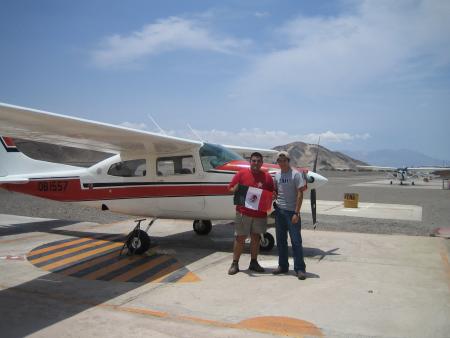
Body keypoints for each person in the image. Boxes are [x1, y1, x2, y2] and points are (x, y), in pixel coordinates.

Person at [227, 152, 275, 275]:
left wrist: (274, 195)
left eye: (259, 161)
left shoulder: (267, 177)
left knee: (256, 238)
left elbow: (271, 193)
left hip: (259, 214)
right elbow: (230, 188)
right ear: (250, 162)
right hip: (243, 213)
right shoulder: (241, 174)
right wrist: (235, 188)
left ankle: (253, 262)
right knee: (240, 238)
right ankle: (235, 263)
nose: (256, 163)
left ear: (262, 163)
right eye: (254, 160)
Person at [273, 151, 308, 280]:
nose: (281, 163)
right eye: (279, 161)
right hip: (279, 212)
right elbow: (276, 190)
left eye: (284, 160)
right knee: (281, 241)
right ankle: (283, 266)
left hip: (291, 213)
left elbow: (300, 194)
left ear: (288, 161)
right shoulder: (277, 175)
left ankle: (300, 268)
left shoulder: (296, 174)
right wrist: (274, 195)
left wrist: (296, 213)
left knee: (296, 241)